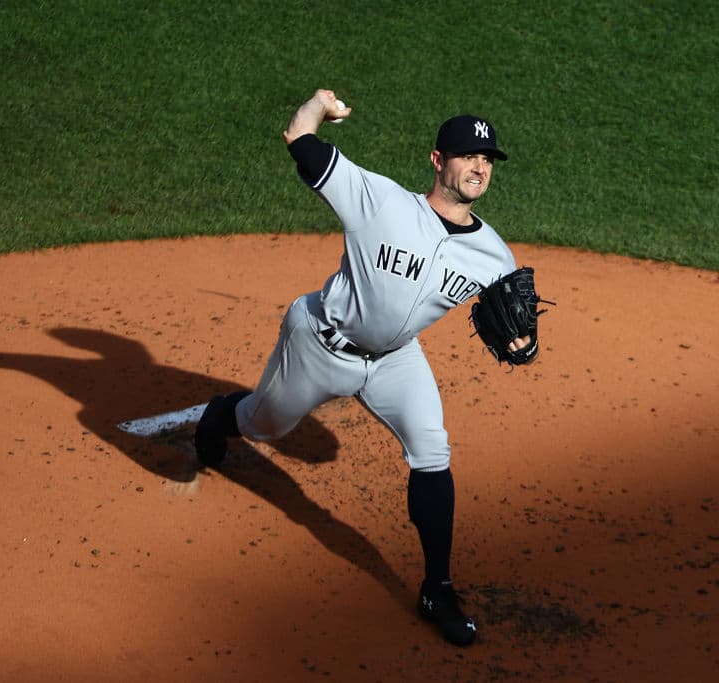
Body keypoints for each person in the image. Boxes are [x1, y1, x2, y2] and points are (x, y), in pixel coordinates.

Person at [193, 88, 532, 647]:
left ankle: (438, 588)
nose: (479, 167)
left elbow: (510, 316)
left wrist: (520, 341)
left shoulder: (494, 254)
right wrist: (316, 107)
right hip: (321, 344)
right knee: (263, 425)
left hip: (397, 360)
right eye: (467, 156)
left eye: (487, 159)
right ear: (437, 161)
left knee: (432, 450)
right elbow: (300, 142)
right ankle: (222, 414)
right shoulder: (381, 202)